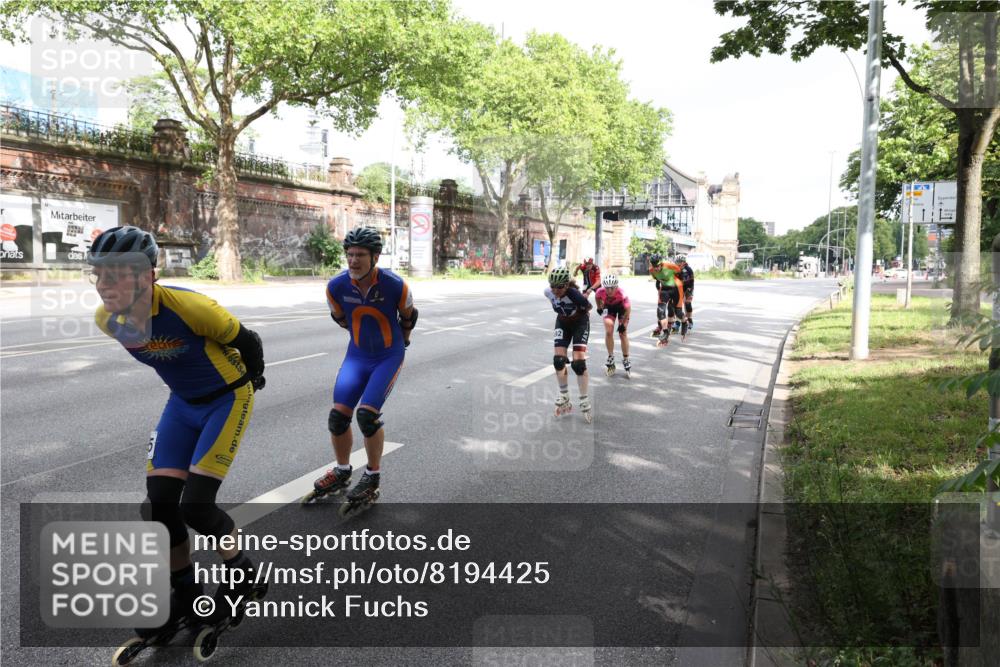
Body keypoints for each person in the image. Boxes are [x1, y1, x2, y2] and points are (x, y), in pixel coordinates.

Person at [88, 226, 266, 635]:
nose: (103, 284)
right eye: (98, 273)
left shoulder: (192, 309)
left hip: (227, 399)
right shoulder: (109, 321)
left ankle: (242, 574)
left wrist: (254, 378)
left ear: (149, 274)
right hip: (183, 405)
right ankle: (185, 592)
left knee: (197, 508)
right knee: (157, 508)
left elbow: (249, 341)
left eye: (117, 273)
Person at [315, 226, 416, 512]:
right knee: (338, 418)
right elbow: (341, 319)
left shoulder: (395, 285)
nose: (353, 260)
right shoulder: (335, 287)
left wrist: (403, 341)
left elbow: (409, 315)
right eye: (349, 254)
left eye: (360, 255)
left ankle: (372, 476)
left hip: (387, 356)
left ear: (376, 257)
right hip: (357, 356)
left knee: (367, 417)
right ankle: (343, 470)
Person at [545, 266, 593, 421]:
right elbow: (557, 306)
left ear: (567, 285)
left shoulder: (575, 295)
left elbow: (587, 309)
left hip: (579, 323)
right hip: (563, 323)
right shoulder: (548, 292)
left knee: (578, 363)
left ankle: (584, 398)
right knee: (558, 360)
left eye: (559, 287)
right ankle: (564, 394)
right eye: (553, 286)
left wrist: (575, 316)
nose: (555, 290)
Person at [594, 273, 631, 377]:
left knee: (622, 333)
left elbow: (628, 310)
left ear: (616, 287)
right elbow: (597, 297)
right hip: (609, 309)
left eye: (612, 288)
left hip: (622, 310)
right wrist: (599, 307)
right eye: (607, 288)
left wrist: (623, 323)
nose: (609, 291)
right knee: (609, 332)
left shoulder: (622, 294)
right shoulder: (600, 291)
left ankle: (626, 358)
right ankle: (610, 357)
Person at [648, 254, 686, 346]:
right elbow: (657, 277)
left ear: (661, 264)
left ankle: (685, 323)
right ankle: (665, 332)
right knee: (660, 311)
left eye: (657, 266)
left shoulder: (669, 266)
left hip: (676, 288)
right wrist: (658, 283)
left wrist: (684, 285)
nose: (656, 268)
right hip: (665, 289)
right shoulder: (651, 270)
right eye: (654, 266)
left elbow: (680, 272)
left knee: (678, 313)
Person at [674, 255, 695, 333]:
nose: (678, 264)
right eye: (677, 262)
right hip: (679, 288)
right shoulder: (675, 269)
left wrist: (690, 290)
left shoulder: (688, 269)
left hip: (688, 288)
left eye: (680, 262)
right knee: (677, 306)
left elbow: (692, 281)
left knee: (687, 304)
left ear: (684, 262)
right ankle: (677, 323)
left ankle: (690, 320)